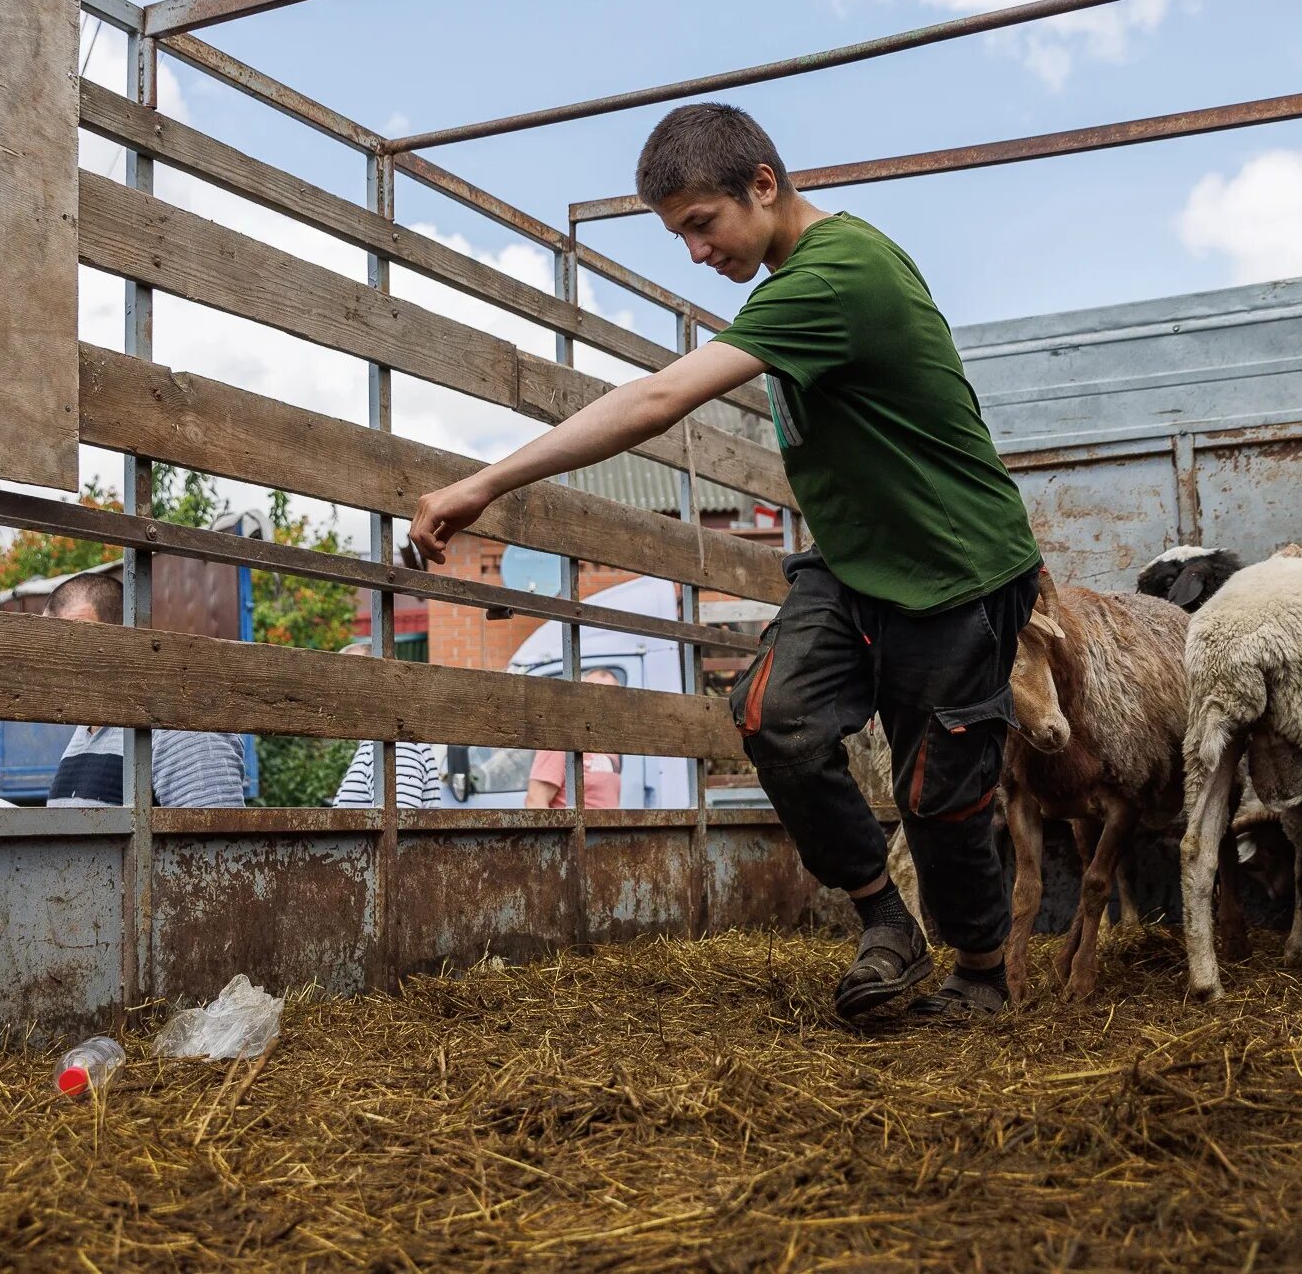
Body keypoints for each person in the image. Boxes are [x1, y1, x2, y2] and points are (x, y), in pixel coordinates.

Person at [409, 104, 1041, 1020]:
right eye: (680, 236)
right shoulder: (795, 280)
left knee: (937, 791)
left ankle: (981, 974)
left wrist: (485, 485)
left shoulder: (837, 276)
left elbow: (659, 399)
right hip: (860, 564)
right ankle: (886, 924)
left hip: (958, 568)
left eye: (702, 225)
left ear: (762, 184)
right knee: (771, 713)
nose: (696, 254)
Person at [41, 573, 248, 808]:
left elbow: (212, 841)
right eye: (51, 643)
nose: (58, 659)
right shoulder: (85, 731)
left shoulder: (182, 725)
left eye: (75, 639)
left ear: (123, 638)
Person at [330, 642, 442, 809]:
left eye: (348, 679)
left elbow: (401, 826)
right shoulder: (380, 743)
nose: (337, 691)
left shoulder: (397, 745)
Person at [525, 666, 624, 809]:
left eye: (610, 697)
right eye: (593, 694)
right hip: (575, 831)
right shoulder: (562, 738)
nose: (601, 703)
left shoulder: (610, 744)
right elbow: (535, 802)